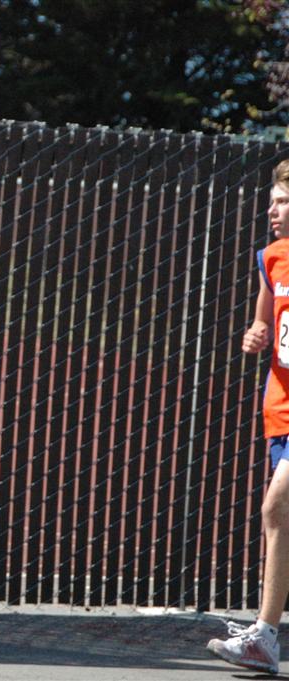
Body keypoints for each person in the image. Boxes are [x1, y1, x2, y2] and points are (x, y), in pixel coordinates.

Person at [208, 159, 289, 674]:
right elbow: (262, 326)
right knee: (281, 516)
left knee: (275, 507)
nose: (272, 210)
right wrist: (253, 336)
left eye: (283, 201)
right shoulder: (271, 259)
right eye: (271, 202)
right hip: (281, 408)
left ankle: (264, 635)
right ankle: (266, 638)